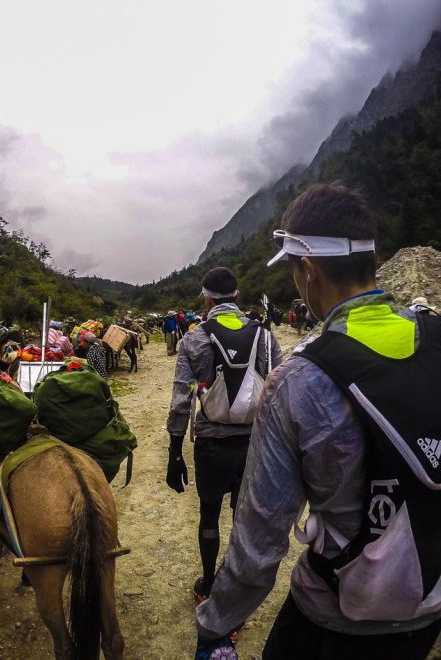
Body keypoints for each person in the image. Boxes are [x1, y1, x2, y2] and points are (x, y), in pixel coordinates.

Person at [194, 184, 441, 660]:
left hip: (334, 617)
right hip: (427, 610)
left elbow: (259, 538)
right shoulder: (435, 336)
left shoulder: (300, 379)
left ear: (307, 270)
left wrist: (215, 624)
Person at [165, 266, 282, 608]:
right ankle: (237, 586)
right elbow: (279, 389)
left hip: (212, 445)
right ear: (238, 297)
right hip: (253, 445)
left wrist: (175, 453)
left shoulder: (195, 337)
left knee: (209, 512)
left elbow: (180, 399)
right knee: (242, 518)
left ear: (206, 298)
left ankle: (208, 583)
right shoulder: (264, 335)